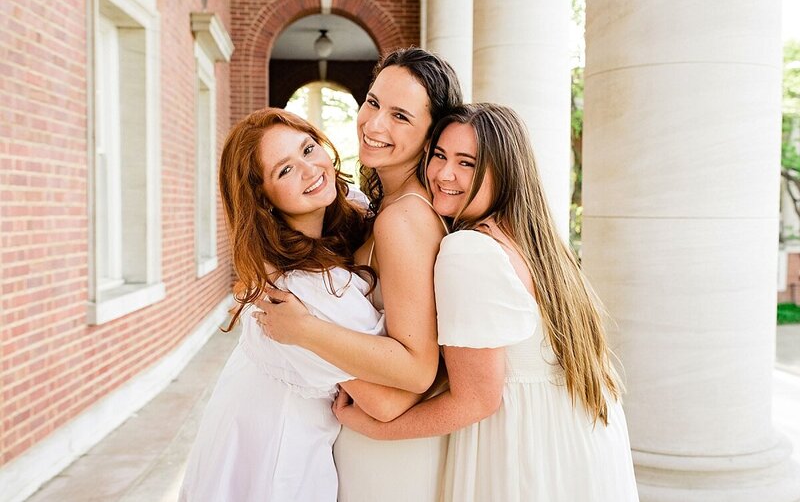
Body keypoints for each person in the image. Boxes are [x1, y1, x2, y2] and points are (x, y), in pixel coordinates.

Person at [333, 103, 640, 501]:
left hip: (521, 452)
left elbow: (475, 400)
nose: (445, 174)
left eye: (468, 163)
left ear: (506, 171)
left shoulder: (468, 251)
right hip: (580, 444)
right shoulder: (539, 244)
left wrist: (375, 428)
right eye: (440, 156)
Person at [254, 47, 463, 501]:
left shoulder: (402, 219)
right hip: (368, 436)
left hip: (386, 452)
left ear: (433, 135)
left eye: (401, 116)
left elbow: (417, 366)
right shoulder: (378, 210)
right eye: (373, 103)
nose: (374, 124)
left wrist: (304, 330)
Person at [179, 108, 399, 501]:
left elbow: (353, 198)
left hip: (241, 421)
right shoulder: (305, 292)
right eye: (284, 170)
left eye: (309, 148)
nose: (310, 169)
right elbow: (385, 401)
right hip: (273, 456)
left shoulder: (339, 210)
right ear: (261, 199)